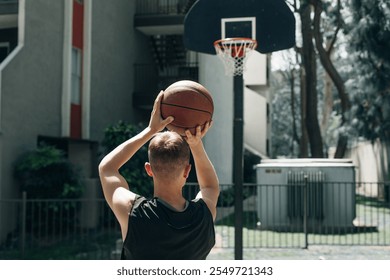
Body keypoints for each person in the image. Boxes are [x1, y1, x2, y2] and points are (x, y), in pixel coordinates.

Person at [98, 90, 220, 260]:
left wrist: (150, 130)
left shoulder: (133, 212)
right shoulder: (203, 216)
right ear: (187, 170)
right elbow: (210, 186)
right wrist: (196, 144)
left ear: (149, 169)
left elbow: (107, 168)